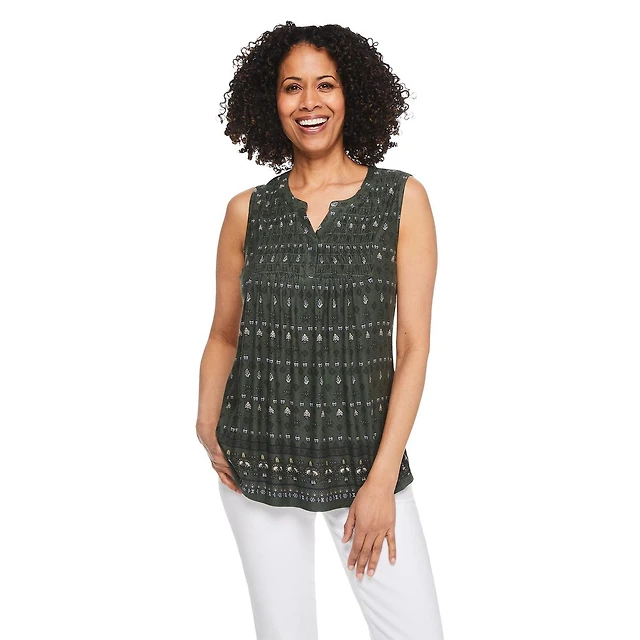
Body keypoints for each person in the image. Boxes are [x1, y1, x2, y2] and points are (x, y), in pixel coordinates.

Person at [196, 21, 444, 640]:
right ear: (270, 101)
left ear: (351, 93)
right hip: (258, 453)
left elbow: (413, 346)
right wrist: (206, 422)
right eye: (292, 87)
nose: (309, 102)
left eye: (325, 84)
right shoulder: (246, 211)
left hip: (366, 462)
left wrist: (382, 479)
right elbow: (224, 333)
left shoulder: (401, 199)